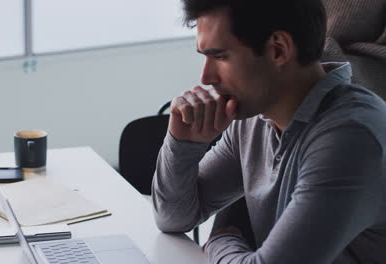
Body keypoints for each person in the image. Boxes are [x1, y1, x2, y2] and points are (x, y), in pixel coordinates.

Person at [151, 0, 386, 263]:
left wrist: (219, 240)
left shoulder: (352, 139)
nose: (205, 77)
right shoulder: (254, 119)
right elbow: (173, 217)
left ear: (278, 50)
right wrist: (182, 142)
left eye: (220, 56)